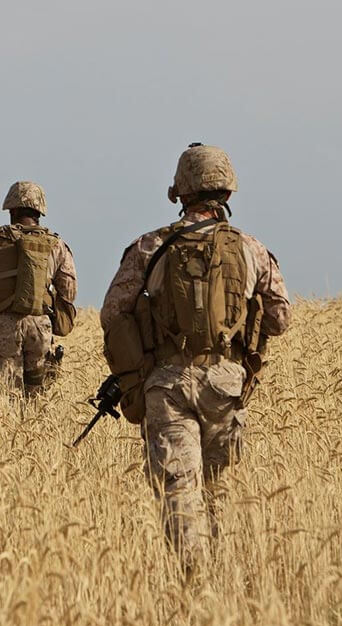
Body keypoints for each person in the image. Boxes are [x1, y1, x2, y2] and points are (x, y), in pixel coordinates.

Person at [100, 143, 291, 575]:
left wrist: (140, 366)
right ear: (226, 193)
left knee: (178, 490)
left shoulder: (151, 246)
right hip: (225, 382)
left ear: (181, 192)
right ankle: (227, 578)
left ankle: (194, 583)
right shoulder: (251, 249)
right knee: (221, 489)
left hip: (166, 384)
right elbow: (280, 317)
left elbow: (113, 314)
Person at [0, 181, 78, 397]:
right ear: (40, 211)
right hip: (41, 327)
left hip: (3, 326)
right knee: (36, 399)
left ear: (11, 209)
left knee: (0, 400)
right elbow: (68, 291)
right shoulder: (57, 245)